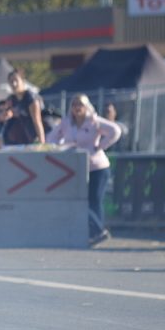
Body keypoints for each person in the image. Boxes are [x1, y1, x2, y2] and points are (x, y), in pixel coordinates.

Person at [46, 94, 122, 246]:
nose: (77, 107)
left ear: (87, 106)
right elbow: (51, 138)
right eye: (74, 104)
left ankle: (97, 232)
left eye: (80, 104)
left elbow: (115, 131)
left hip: (96, 166)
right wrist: (61, 148)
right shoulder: (67, 123)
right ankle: (94, 231)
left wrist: (100, 146)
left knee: (94, 201)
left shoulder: (93, 121)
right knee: (79, 200)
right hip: (76, 167)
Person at [2, 69, 46, 145]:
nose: (14, 84)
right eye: (11, 81)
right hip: (28, 135)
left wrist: (42, 143)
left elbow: (37, 121)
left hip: (42, 132)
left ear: (22, 81)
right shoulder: (13, 99)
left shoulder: (30, 98)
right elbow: (13, 115)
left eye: (16, 80)